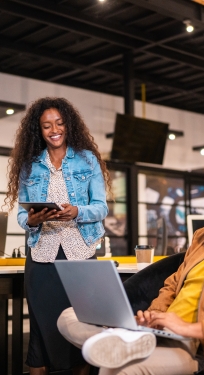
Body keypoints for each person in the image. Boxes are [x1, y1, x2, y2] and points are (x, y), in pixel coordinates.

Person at [57, 162, 204, 375]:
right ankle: (125, 338)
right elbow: (172, 284)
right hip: (159, 331)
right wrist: (154, 315)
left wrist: (189, 328)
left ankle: (120, 340)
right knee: (67, 316)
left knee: (115, 369)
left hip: (191, 344)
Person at [4, 97, 111, 375]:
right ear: (38, 130)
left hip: (81, 254)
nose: (54, 130)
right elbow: (21, 215)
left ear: (69, 125)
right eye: (46, 125)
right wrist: (32, 220)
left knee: (82, 329)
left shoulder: (87, 159)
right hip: (41, 256)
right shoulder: (30, 165)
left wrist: (77, 212)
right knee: (41, 330)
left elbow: (101, 207)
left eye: (59, 123)